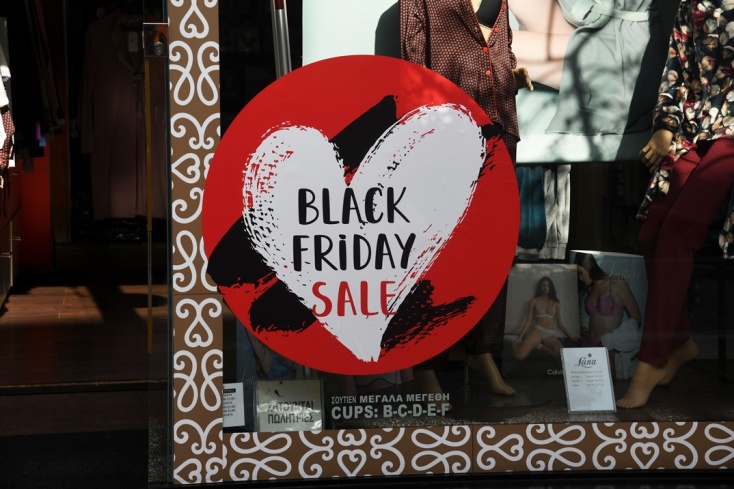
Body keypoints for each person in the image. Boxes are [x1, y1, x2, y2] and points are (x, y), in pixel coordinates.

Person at [400, 0, 533, 399]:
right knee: (440, 248)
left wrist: (510, 71)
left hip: (499, 122)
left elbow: (500, 45)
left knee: (493, 247)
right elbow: (412, 62)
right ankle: (427, 362)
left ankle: (482, 349)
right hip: (447, 127)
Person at [617, 0, 734, 409]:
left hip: (732, 134)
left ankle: (650, 362)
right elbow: (677, 66)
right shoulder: (692, 3)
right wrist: (666, 127)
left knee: (677, 234)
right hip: (700, 127)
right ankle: (680, 342)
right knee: (652, 232)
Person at [574, 252, 643, 378]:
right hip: (588, 344)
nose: (580, 278)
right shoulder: (590, 288)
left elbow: (637, 318)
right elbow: (591, 317)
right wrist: (583, 328)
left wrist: (611, 340)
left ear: (588, 266)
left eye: (580, 273)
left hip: (608, 348)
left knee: (609, 386)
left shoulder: (617, 284)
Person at [512, 276, 577, 360]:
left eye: (548, 285)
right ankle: (514, 340)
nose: (546, 287)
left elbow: (560, 323)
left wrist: (570, 337)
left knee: (561, 354)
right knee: (519, 356)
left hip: (550, 334)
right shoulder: (534, 301)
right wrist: (520, 337)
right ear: (540, 287)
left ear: (550, 287)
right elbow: (528, 321)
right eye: (543, 285)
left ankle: (541, 347)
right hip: (537, 331)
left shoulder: (556, 303)